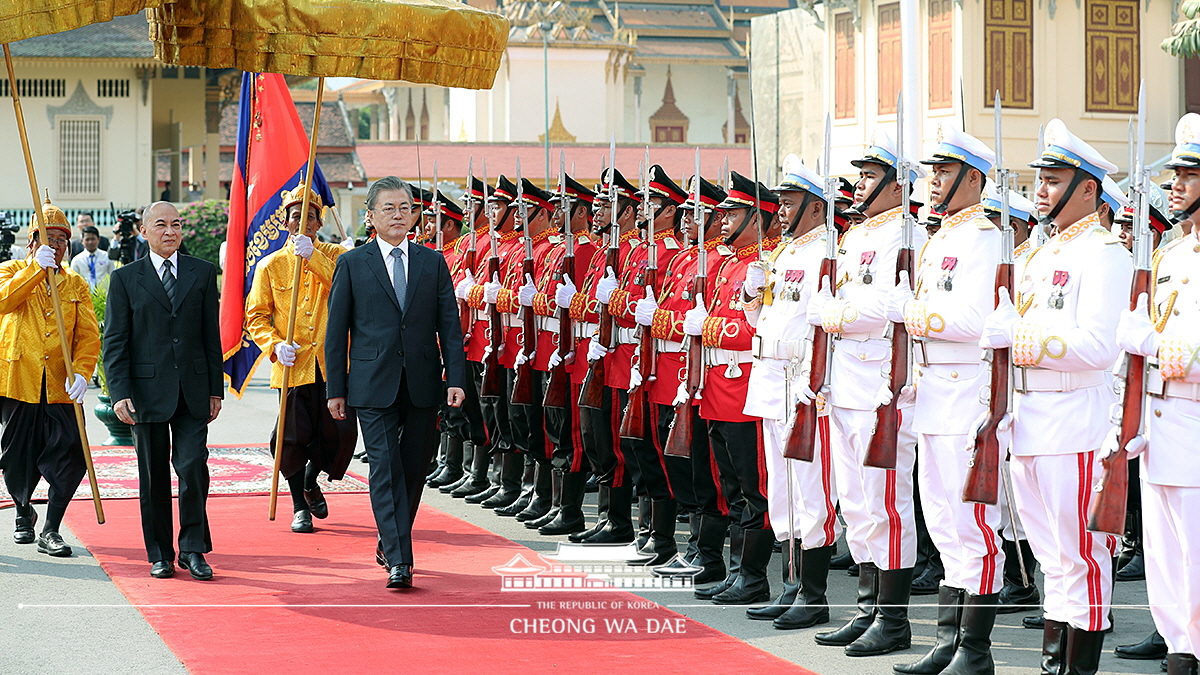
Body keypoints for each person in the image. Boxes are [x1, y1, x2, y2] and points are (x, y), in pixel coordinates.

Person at [978, 119, 1131, 674]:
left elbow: (1097, 346)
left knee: (1081, 556)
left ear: (1087, 187)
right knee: (1051, 558)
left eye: (1054, 178)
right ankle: (1053, 665)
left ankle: (1077, 669)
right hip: (1030, 417)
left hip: (1074, 418)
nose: (1040, 189)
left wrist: (1016, 335)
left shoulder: (1105, 254)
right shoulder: (1037, 256)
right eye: (1039, 178)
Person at [886, 125, 1006, 675]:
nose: (933, 182)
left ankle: (973, 650)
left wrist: (913, 313)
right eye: (933, 172)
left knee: (971, 522)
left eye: (944, 173)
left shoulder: (984, 240)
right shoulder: (940, 239)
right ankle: (948, 639)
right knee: (941, 518)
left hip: (965, 393)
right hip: (933, 390)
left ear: (973, 179)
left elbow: (977, 320)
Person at [808, 129, 927, 657]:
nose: (858, 185)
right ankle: (867, 607)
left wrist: (838, 315)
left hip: (885, 383)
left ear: (896, 184)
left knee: (886, 503)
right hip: (847, 380)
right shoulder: (855, 238)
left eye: (870, 176)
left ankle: (894, 619)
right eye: (858, 176)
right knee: (856, 502)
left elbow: (889, 308)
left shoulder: (910, 235)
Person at [325, 176, 467, 590]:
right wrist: (337, 388)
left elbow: (450, 327)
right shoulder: (352, 263)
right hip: (372, 381)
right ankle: (401, 561)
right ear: (370, 216)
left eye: (405, 207)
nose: (399, 215)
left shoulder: (431, 261)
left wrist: (455, 377)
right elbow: (337, 333)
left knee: (413, 468)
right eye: (389, 208)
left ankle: (391, 539)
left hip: (423, 381)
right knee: (384, 468)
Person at [1111, 113, 1200, 675]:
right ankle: (1180, 651)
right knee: (1166, 558)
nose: (1175, 184)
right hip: (1160, 421)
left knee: (1196, 553)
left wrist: (1156, 343)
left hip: (1194, 422)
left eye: (1188, 176)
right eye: (1175, 175)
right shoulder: (1169, 253)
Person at [738, 157, 841, 629]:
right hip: (769, 375)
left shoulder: (828, 252)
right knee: (780, 490)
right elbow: (761, 322)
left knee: (811, 489)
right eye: (780, 201)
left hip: (800, 379)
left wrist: (814, 381)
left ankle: (814, 594)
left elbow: (825, 326)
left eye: (790, 202)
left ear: (817, 208)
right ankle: (790, 584)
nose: (781, 210)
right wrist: (752, 298)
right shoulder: (782, 253)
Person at [104, 201, 224, 581]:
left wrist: (214, 389)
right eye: (160, 224)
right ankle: (159, 553)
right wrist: (120, 391)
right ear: (144, 231)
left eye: (176, 224)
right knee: (153, 475)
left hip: (192, 390)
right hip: (145, 394)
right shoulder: (125, 279)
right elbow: (115, 341)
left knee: (193, 468)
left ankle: (193, 549)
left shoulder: (202, 273)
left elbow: (210, 337)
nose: (169, 231)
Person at [245, 186, 357, 534]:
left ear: (319, 221)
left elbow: (346, 289)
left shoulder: (339, 256)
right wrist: (275, 345)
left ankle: (312, 480)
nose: (303, 221)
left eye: (310, 215)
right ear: (286, 221)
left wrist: (314, 258)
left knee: (338, 435)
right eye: (296, 215)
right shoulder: (270, 266)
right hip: (292, 366)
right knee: (291, 439)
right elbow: (256, 316)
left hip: (332, 364)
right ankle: (298, 506)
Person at [0, 199, 100, 557]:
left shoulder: (75, 283)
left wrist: (84, 374)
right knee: (17, 458)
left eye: (61, 240)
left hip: (61, 384)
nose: (55, 245)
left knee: (72, 454)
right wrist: (32, 272)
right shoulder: (10, 270)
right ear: (32, 242)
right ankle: (23, 513)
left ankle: (51, 529)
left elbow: (88, 336)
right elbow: (2, 303)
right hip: (18, 381)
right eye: (47, 238)